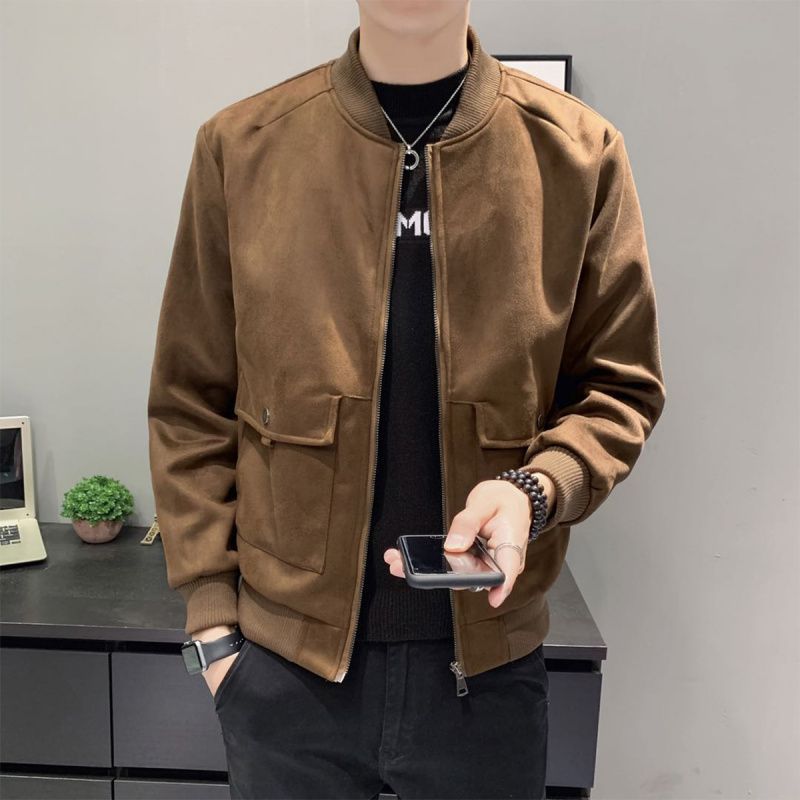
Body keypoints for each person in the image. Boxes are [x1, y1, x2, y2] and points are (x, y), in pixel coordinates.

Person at [147, 1, 666, 798]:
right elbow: (190, 400)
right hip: (285, 680)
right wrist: (215, 630)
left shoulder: (578, 152)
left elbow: (619, 385)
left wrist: (533, 490)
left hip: (487, 677)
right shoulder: (243, 147)